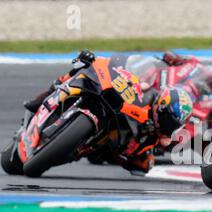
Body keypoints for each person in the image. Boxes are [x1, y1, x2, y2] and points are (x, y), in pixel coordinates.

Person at [23, 50, 194, 175]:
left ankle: (65, 150)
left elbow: (154, 152)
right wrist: (96, 60)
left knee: (142, 166)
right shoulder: (150, 95)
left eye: (172, 123)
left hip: (110, 143)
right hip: (111, 98)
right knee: (81, 67)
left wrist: (141, 153)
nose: (167, 124)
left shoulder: (161, 133)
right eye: (167, 118)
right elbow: (130, 72)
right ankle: (45, 95)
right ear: (161, 105)